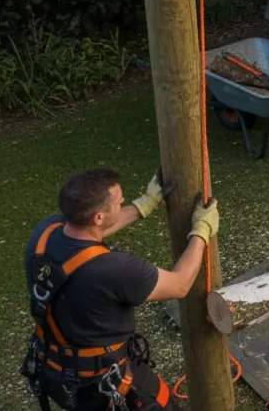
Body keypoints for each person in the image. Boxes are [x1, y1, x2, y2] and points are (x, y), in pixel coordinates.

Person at [20, 168, 220, 410]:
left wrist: (144, 204)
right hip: (104, 383)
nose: (122, 201)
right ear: (98, 218)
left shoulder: (45, 233)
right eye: (118, 202)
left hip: (55, 372)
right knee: (161, 402)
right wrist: (201, 231)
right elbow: (180, 284)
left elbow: (89, 233)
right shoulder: (114, 270)